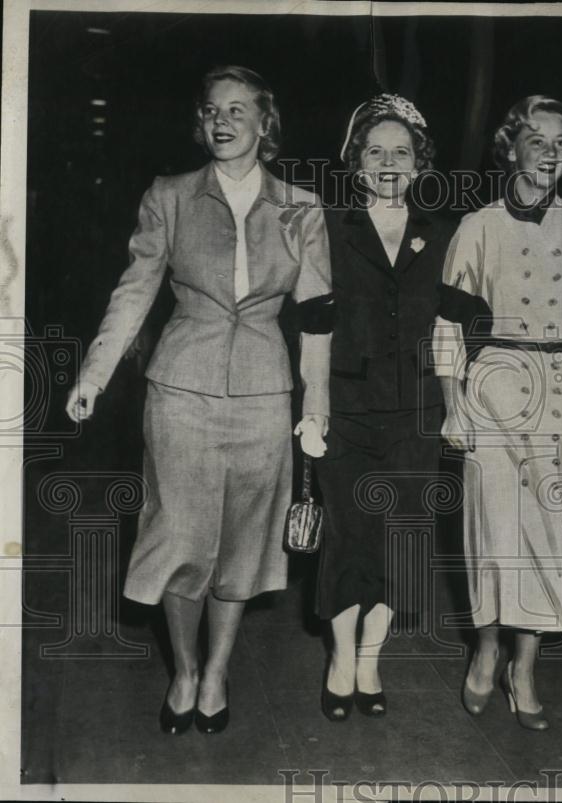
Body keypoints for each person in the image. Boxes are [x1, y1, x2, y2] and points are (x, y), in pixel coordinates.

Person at [65, 65, 332, 735]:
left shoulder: (302, 207)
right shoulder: (171, 196)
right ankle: (183, 668)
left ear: (265, 124)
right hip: (180, 389)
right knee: (180, 539)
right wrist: (92, 376)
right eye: (213, 109)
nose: (223, 120)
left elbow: (320, 320)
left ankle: (217, 670)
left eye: (239, 109)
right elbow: (134, 290)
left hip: (266, 396)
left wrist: (316, 408)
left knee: (243, 546)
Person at [434, 95, 562, 730]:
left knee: (553, 541)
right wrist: (451, 407)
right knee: (496, 539)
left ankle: (525, 668)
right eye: (536, 140)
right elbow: (448, 324)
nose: (549, 152)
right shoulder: (477, 226)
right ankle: (488, 648)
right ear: (512, 149)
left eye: (560, 141)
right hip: (493, 388)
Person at [314, 94, 455, 721]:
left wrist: (456, 404)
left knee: (401, 541)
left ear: (420, 163)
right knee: (348, 537)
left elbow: (455, 327)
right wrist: (312, 407)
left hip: (417, 409)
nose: (389, 161)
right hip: (346, 408)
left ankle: (372, 662)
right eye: (376, 151)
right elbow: (311, 323)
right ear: (356, 162)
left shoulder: (443, 233)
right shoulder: (328, 229)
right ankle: (341, 659)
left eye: (402, 151)